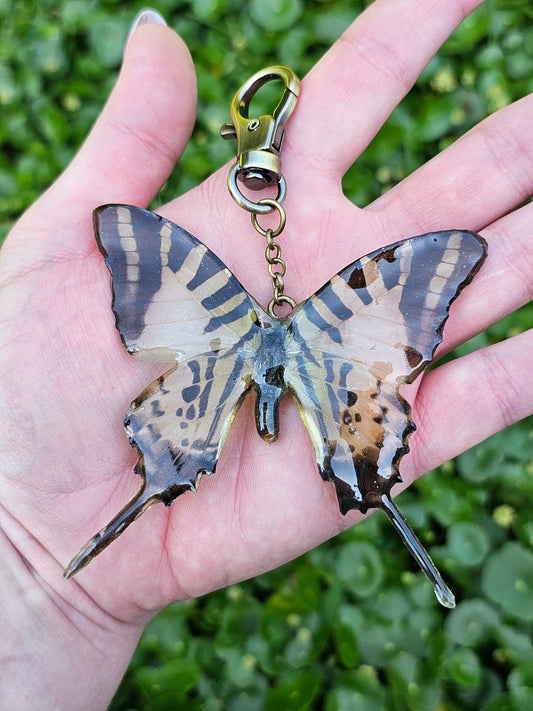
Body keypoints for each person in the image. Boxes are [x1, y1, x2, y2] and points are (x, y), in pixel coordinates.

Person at [1, 1, 531, 708]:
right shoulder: (327, 309)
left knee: (307, 448)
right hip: (325, 373)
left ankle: (130, 517)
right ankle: (377, 511)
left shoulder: (221, 299)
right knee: (357, 449)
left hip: (218, 363)